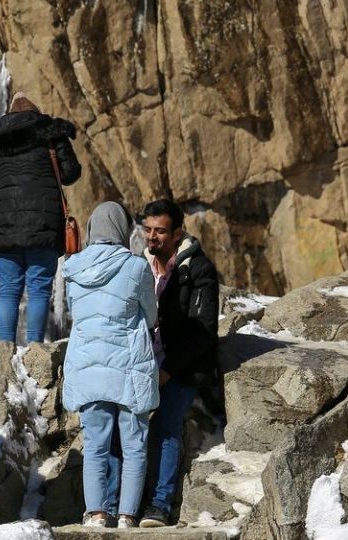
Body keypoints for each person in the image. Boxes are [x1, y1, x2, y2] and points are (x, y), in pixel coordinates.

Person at [62, 201, 158, 529]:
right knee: (134, 445)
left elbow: (72, 312)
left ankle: (97, 513)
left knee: (95, 446)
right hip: (129, 367)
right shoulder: (136, 267)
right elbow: (151, 315)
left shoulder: (73, 270)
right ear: (122, 230)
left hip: (88, 368)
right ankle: (129, 515)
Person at [0, 92, 81, 344]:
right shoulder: (51, 134)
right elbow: (70, 174)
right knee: (39, 289)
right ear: (35, 112)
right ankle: (34, 348)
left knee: (9, 289)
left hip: (3, 227)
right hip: (42, 225)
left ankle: (5, 348)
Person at [138, 199, 219, 528]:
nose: (152, 237)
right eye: (148, 230)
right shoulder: (140, 267)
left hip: (183, 367)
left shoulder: (198, 269)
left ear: (177, 234)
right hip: (146, 364)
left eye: (160, 231)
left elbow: (203, 332)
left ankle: (159, 504)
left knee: (165, 424)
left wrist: (168, 371)